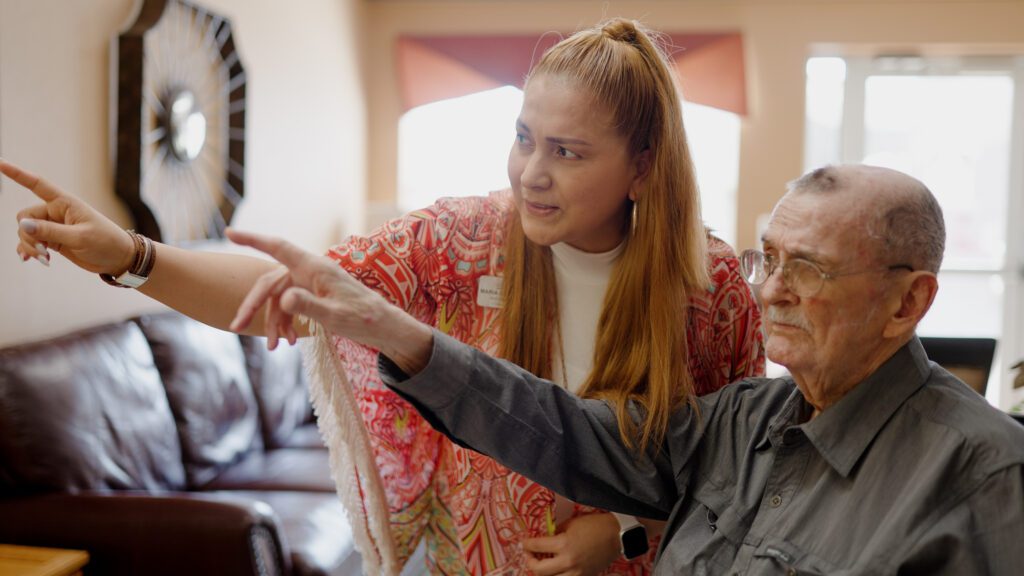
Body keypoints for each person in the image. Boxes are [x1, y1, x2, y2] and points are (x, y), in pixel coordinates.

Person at [3, 18, 763, 575]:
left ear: (642, 167)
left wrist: (628, 527)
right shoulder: (459, 240)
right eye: (524, 137)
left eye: (566, 152)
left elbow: (737, 471)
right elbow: (291, 297)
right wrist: (130, 256)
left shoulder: (713, 287)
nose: (530, 171)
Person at [223, 164, 1024, 574]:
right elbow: (561, 430)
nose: (771, 292)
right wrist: (395, 332)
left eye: (808, 270)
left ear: (907, 303)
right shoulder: (742, 419)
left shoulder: (983, 475)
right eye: (768, 258)